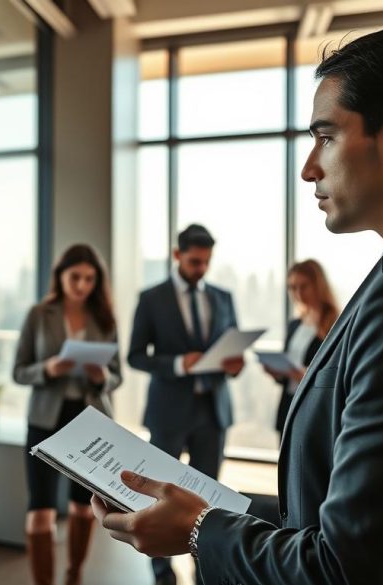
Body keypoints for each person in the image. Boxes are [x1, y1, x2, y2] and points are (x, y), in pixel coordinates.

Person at [92, 21, 383, 585]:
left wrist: (200, 531)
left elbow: (346, 570)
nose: (309, 167)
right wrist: (205, 512)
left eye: (325, 136)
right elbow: (360, 521)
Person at [127, 223, 244, 585]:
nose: (201, 269)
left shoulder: (223, 297)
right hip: (169, 412)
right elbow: (134, 356)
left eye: (206, 262)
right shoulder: (151, 298)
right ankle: (163, 575)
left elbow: (232, 347)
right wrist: (179, 363)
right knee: (157, 495)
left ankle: (203, 570)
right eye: (194, 261)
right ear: (177, 255)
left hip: (213, 411)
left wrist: (235, 365)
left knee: (210, 501)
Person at [13, 243, 123, 585]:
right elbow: (18, 371)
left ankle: (74, 575)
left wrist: (101, 377)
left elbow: (117, 376)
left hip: (89, 422)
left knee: (81, 508)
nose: (82, 285)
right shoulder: (38, 315)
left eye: (90, 279)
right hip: (45, 420)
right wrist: (49, 368)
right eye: (75, 277)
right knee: (40, 514)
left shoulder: (104, 319)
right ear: (60, 276)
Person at [264, 260, 339, 438]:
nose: (298, 293)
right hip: (289, 402)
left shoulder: (335, 324)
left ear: (318, 285)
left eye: (303, 286)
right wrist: (277, 372)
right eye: (292, 288)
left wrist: (306, 376)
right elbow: (288, 367)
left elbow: (338, 372)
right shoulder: (295, 325)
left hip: (315, 406)